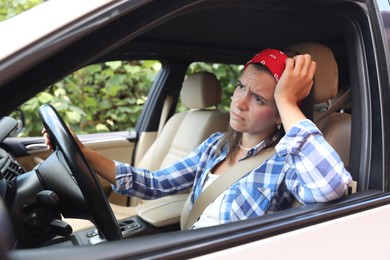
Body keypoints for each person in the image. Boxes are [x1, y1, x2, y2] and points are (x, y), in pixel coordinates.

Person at [43, 48, 352, 229]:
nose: (239, 102)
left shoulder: (287, 163)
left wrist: (287, 102)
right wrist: (82, 151)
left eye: (259, 99)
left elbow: (331, 186)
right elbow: (156, 183)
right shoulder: (217, 145)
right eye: (241, 87)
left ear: (279, 115)